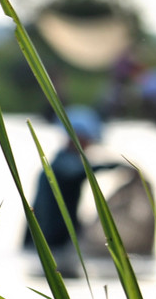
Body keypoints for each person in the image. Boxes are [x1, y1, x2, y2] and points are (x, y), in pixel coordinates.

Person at [22, 105, 127, 277]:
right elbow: (79, 172)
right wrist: (114, 166)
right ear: (75, 137)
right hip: (50, 240)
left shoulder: (63, 162)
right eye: (87, 140)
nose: (89, 145)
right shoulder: (60, 165)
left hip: (54, 240)